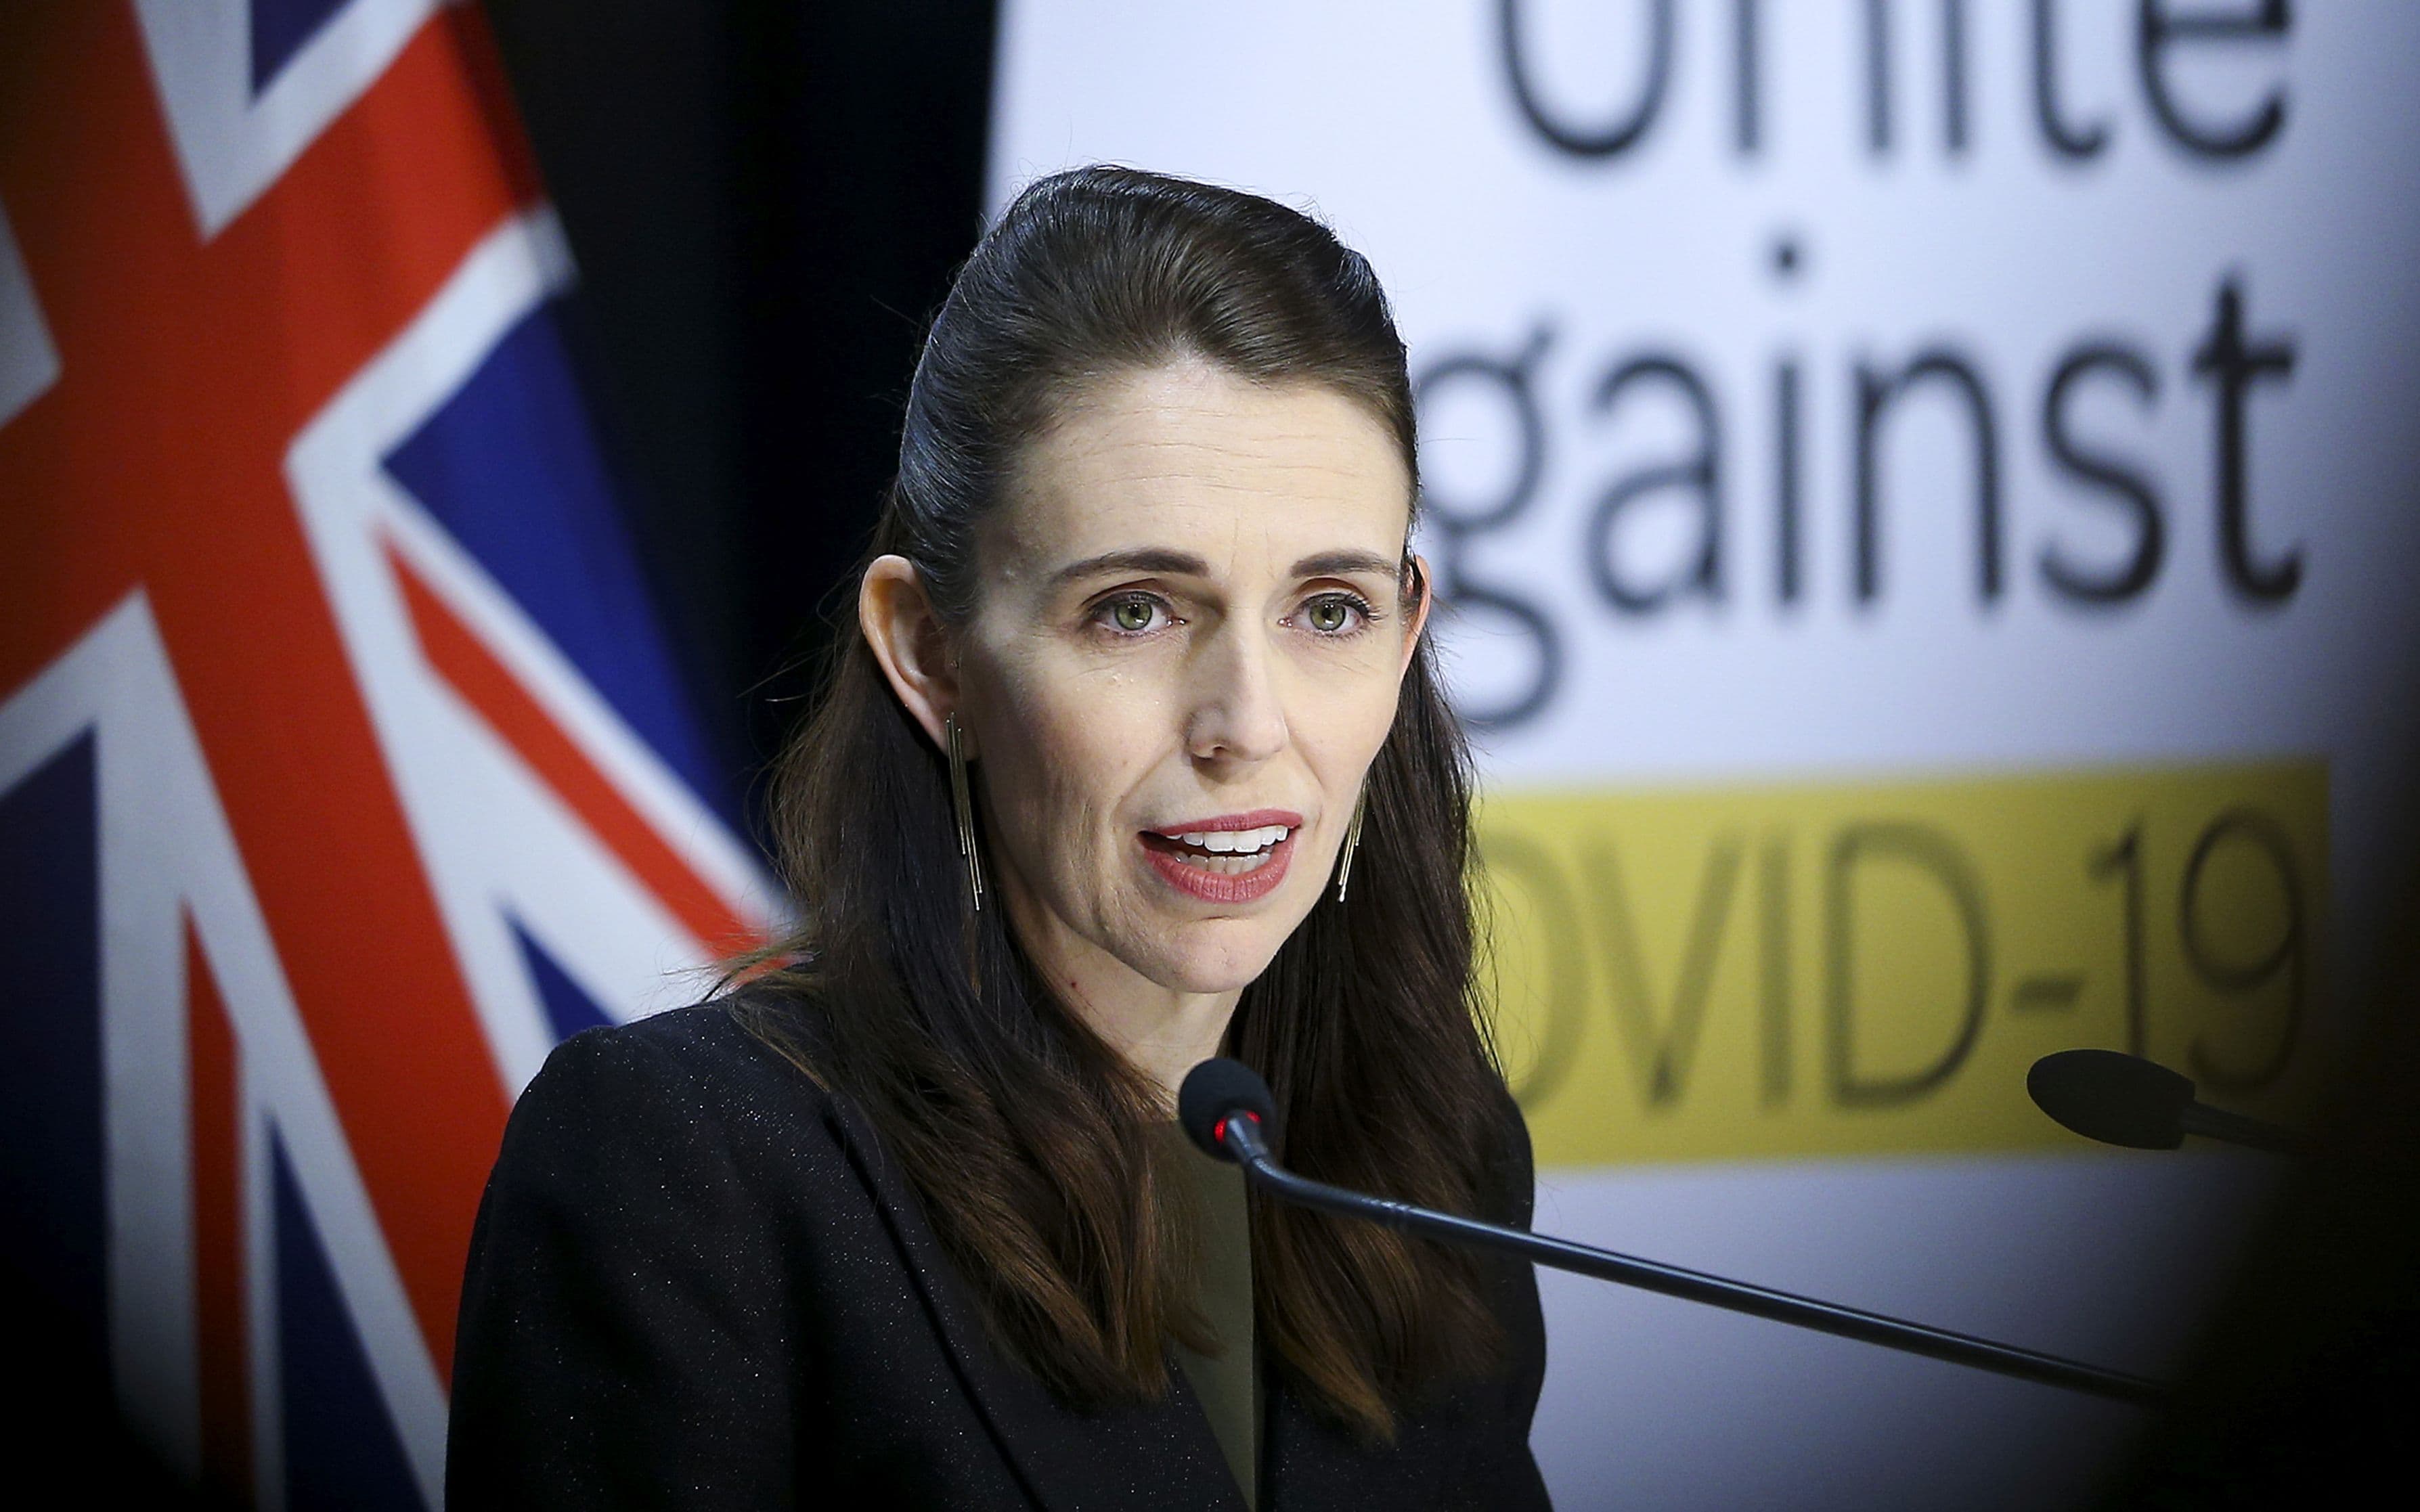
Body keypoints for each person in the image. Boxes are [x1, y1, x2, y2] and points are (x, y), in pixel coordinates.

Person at [445, 164, 1552, 1511]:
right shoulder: (683, 1171)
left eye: (1329, 610)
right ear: (931, 654)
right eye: (1135, 610)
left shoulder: (1439, 1158)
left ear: (1408, 628)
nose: (1248, 726)